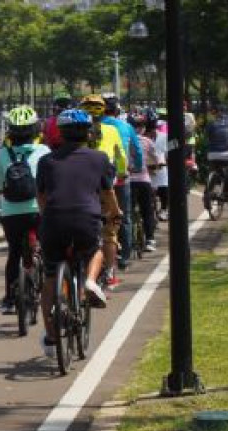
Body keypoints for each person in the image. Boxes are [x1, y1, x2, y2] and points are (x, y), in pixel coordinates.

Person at [36, 108, 120, 358]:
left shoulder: (46, 161)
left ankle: (51, 338)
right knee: (94, 251)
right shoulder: (99, 158)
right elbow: (107, 194)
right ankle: (91, 282)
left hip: (53, 222)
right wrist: (115, 213)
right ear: (87, 133)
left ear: (60, 133)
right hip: (86, 219)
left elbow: (41, 196)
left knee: (50, 278)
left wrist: (47, 215)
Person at [0, 105, 50, 314]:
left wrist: (0, 189)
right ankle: (47, 285)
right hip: (38, 210)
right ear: (35, 129)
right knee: (46, 247)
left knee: (14, 253)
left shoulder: (2, 154)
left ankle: (9, 300)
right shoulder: (44, 152)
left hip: (11, 212)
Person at [80, 94, 127, 290]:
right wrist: (123, 172)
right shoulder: (112, 130)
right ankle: (109, 273)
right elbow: (121, 155)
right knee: (109, 232)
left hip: (82, 188)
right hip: (106, 188)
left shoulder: (77, 132)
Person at [101, 94, 142, 267]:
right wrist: (138, 167)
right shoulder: (126, 127)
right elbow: (137, 151)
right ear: (117, 110)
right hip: (120, 178)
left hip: (99, 181)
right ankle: (125, 255)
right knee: (124, 216)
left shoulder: (94, 127)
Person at [128, 112, 160, 252]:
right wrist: (155, 166)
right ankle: (150, 239)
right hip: (143, 180)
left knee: (127, 213)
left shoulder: (124, 139)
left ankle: (126, 244)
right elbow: (156, 160)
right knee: (147, 211)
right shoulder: (147, 141)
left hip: (127, 181)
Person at [204, 104, 228, 202]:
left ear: (218, 113)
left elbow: (207, 137)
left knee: (214, 169)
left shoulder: (211, 123)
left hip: (213, 154)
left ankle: (208, 190)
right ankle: (226, 193)